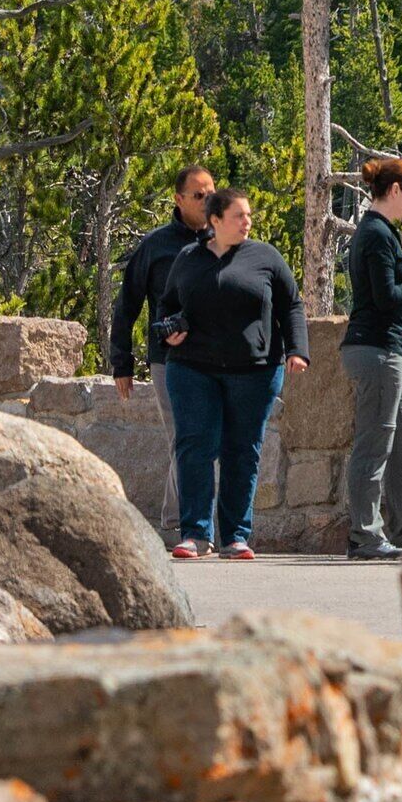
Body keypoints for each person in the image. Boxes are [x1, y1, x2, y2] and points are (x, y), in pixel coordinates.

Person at [152, 188, 307, 559]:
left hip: (255, 371)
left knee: (242, 450)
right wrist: (167, 331)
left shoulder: (266, 257)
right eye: (239, 216)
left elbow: (292, 305)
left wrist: (297, 350)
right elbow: (166, 305)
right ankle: (195, 534)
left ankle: (236, 536)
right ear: (215, 220)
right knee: (194, 446)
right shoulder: (188, 258)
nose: (247, 222)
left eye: (249, 215)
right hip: (192, 367)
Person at [108, 165, 218, 547]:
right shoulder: (156, 245)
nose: (207, 201)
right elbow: (127, 304)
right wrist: (121, 363)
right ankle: (178, 526)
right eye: (199, 195)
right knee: (185, 437)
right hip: (168, 360)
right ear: (179, 200)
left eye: (211, 194)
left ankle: (180, 524)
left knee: (207, 440)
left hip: (217, 358)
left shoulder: (224, 240)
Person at [341, 157, 402, 560]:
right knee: (375, 444)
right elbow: (384, 296)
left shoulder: (383, 231)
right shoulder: (376, 233)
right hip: (376, 349)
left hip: (391, 350)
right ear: (394, 190)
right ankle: (364, 534)